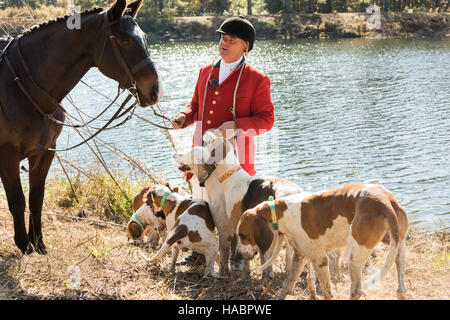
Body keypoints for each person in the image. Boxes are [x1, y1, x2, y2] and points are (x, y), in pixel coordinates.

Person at [171, 16, 275, 266]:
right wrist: (184, 116)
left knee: (233, 211)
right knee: (202, 201)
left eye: (231, 39)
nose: (223, 43)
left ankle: (238, 259)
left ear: (245, 46)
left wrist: (238, 125)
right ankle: (199, 252)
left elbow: (266, 119)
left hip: (234, 160)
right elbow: (195, 105)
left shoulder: (257, 79)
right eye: (222, 38)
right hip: (204, 156)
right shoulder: (206, 71)